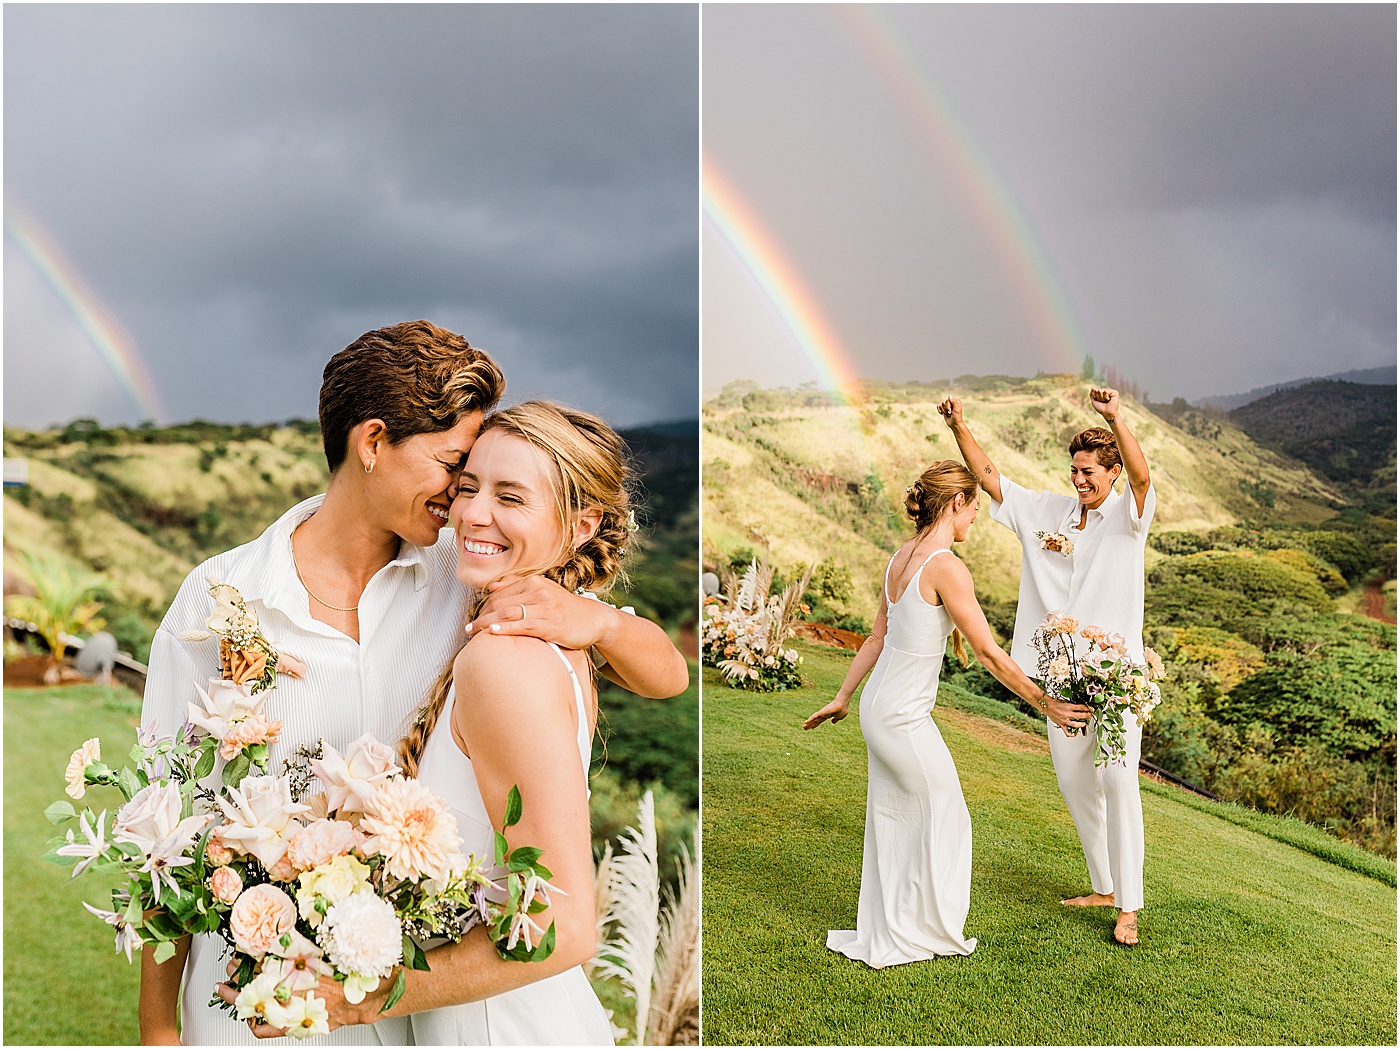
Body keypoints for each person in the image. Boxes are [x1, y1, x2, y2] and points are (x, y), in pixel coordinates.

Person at [139, 323, 689, 1045]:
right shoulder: (220, 597)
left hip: (410, 1009)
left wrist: (597, 619)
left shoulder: (467, 577)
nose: (465, 503)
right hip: (258, 1013)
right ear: (372, 443)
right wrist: (157, 1029)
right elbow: (166, 828)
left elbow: (666, 672)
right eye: (457, 472)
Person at [803, 461, 1089, 968]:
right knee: (945, 815)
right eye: (975, 507)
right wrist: (1046, 703)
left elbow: (877, 637)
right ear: (956, 503)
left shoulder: (900, 557)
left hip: (880, 708)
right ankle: (922, 931)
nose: (976, 517)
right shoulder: (945, 567)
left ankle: (895, 925)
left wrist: (845, 696)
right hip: (902, 717)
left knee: (897, 818)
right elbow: (988, 654)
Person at [939, 386, 1153, 946]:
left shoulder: (1129, 517)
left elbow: (1142, 480)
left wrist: (1115, 418)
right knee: (1075, 780)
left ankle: (1128, 906)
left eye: (1089, 472)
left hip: (1116, 677)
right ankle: (1104, 886)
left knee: (1117, 780)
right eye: (1075, 471)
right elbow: (992, 479)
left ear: (1108, 471)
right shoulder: (1051, 510)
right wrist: (959, 426)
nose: (1080, 481)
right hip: (1060, 679)